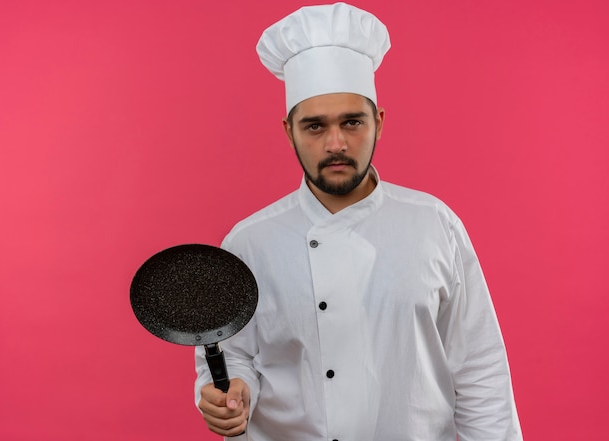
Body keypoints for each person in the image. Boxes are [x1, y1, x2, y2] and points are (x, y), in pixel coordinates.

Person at [195, 3, 523, 440]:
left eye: (353, 122)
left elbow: (480, 370)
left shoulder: (434, 226)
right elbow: (232, 355)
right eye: (314, 126)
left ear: (379, 123)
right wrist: (231, 392)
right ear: (288, 130)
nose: (336, 143)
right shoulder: (249, 242)